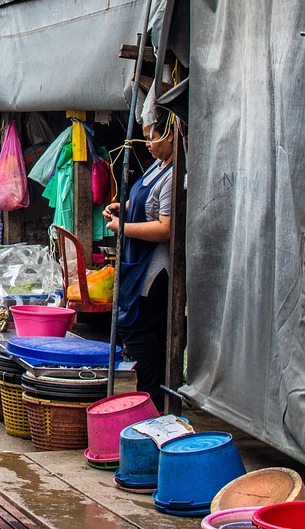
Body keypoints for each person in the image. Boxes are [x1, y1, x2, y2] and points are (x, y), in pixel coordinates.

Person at [103, 114, 175, 410]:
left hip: (155, 267)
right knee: (144, 329)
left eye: (152, 136)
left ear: (170, 135)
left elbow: (165, 227)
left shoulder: (174, 175)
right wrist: (124, 207)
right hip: (137, 259)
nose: (147, 143)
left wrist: (122, 227)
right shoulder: (159, 166)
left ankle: (151, 397)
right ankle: (151, 394)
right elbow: (145, 201)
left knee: (136, 328)